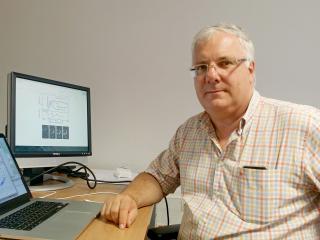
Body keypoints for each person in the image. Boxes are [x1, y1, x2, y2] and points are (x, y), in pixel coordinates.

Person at [101, 23, 320, 239]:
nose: (211, 76)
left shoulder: (304, 125)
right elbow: (158, 177)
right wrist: (129, 197)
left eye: (224, 63)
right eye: (201, 67)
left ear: (250, 70)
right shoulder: (189, 132)